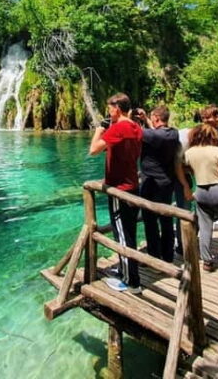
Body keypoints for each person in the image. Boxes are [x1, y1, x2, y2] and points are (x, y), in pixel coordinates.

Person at [89, 93, 143, 293]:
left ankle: (131, 282)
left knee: (121, 234)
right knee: (129, 233)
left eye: (109, 108)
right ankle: (128, 272)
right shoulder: (136, 127)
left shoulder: (118, 128)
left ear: (117, 108)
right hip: (133, 186)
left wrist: (99, 130)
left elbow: (93, 149)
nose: (108, 112)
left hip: (119, 190)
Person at [183, 124, 218, 273]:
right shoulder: (215, 150)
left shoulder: (190, 153)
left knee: (205, 227)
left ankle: (207, 261)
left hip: (200, 190)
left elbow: (183, 167)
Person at [135, 105, 185, 262]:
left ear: (156, 118)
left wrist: (127, 117)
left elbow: (135, 132)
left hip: (151, 183)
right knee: (166, 219)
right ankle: (168, 255)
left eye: (152, 117)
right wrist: (146, 119)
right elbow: (157, 132)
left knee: (150, 220)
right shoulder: (173, 133)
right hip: (167, 183)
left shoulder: (152, 135)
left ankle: (154, 255)